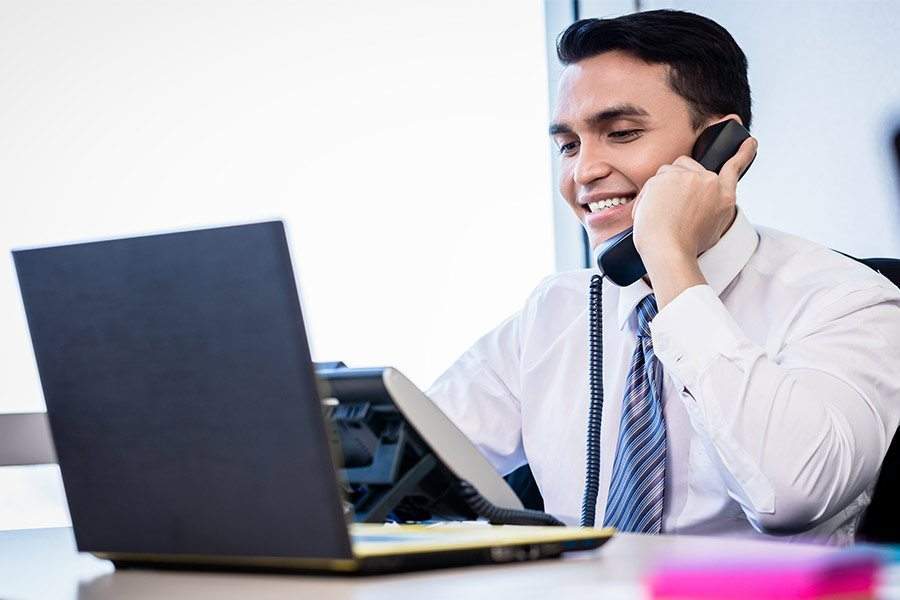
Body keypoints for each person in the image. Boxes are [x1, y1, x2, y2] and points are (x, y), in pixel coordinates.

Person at [427, 10, 900, 544]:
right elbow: (413, 460)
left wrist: (672, 262)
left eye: (622, 133)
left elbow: (789, 498)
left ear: (721, 147)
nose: (583, 172)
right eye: (569, 145)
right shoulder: (557, 311)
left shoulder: (849, 301)